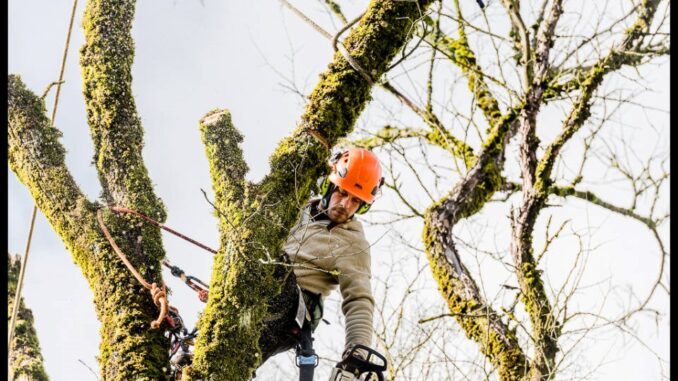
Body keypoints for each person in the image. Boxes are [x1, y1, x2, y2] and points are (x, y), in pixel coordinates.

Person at [256, 147, 385, 379]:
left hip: (291, 310)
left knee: (277, 268)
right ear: (329, 185)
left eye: (356, 201)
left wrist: (356, 352)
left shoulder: (353, 242)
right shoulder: (296, 207)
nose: (345, 205)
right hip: (257, 295)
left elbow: (359, 298)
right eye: (342, 193)